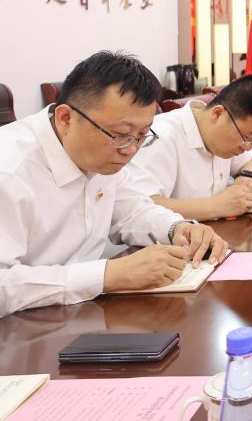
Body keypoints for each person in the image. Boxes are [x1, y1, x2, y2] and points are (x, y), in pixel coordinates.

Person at [0, 51, 228, 317]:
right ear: (65, 119)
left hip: (84, 314)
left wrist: (176, 228)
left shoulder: (102, 154)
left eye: (142, 135)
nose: (130, 150)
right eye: (121, 135)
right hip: (21, 330)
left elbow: (130, 209)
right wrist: (107, 275)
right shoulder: (10, 171)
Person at [127, 75, 252, 221]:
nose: (247, 148)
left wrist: (247, 179)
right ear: (217, 114)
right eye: (247, 137)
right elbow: (138, 206)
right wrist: (217, 206)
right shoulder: (162, 136)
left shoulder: (226, 134)